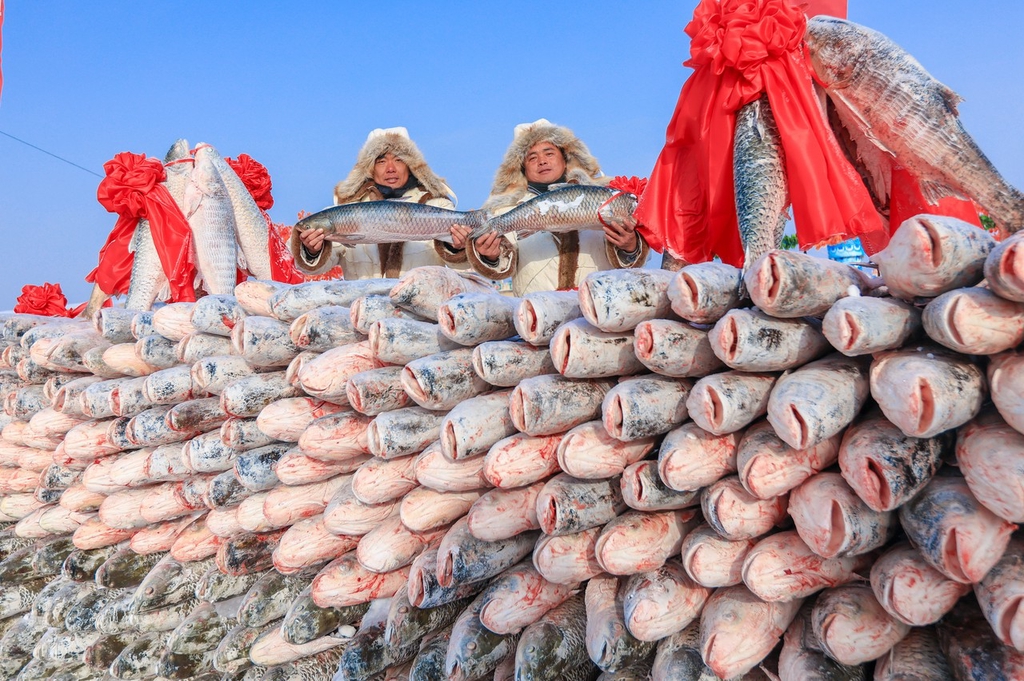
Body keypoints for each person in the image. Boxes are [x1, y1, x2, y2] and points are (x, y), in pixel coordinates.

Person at [452, 119, 649, 295]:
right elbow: (502, 268)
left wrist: (629, 246)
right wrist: (491, 255)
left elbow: (634, 259)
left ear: (565, 160)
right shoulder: (505, 211)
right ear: (522, 168)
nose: (542, 161)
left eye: (549, 153)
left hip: (598, 312)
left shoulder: (602, 196)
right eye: (532, 158)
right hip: (536, 317)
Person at [291, 127, 467, 279]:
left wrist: (456, 247)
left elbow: (464, 269)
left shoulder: (438, 206)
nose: (390, 168)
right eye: (381, 161)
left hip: (421, 314)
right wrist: (312, 250)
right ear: (370, 168)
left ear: (410, 165)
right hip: (362, 313)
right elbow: (316, 269)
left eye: (398, 159)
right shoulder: (344, 210)